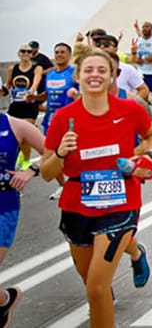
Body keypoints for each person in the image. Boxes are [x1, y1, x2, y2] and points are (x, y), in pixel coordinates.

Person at [41, 48, 152, 328]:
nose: (94, 75)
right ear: (77, 75)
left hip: (121, 203)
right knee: (93, 286)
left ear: (112, 77)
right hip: (76, 207)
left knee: (97, 288)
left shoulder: (129, 109)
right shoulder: (63, 118)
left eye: (101, 70)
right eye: (88, 70)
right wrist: (60, 153)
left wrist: (148, 156)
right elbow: (48, 174)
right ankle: (136, 253)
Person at [0, 109, 46, 326]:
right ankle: (4, 300)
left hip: (3, 205)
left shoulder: (16, 126)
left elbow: (54, 152)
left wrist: (31, 170)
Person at [6, 44, 43, 127]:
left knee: (25, 128)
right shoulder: (12, 68)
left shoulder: (37, 68)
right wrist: (2, 90)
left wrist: (29, 93)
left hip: (29, 105)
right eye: (23, 51)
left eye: (29, 52)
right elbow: (8, 84)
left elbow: (35, 83)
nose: (26, 53)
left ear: (32, 54)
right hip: (15, 105)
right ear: (19, 53)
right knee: (12, 131)